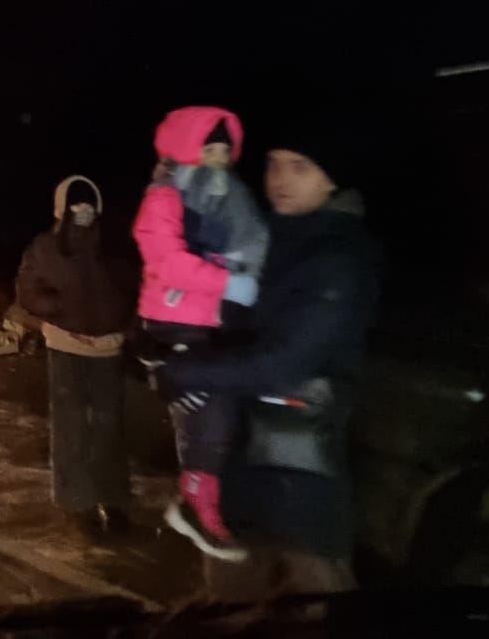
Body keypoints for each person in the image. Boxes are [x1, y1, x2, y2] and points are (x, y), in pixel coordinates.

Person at [156, 117, 378, 600]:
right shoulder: (270, 236)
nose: (280, 178)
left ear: (332, 180)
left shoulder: (337, 258)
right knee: (229, 606)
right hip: (241, 466)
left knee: (317, 604)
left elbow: (283, 364)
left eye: (300, 166)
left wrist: (186, 370)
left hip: (299, 470)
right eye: (274, 164)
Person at [133, 106, 268, 561]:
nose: (218, 161)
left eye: (225, 152)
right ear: (185, 148)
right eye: (209, 150)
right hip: (176, 320)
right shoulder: (164, 197)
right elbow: (167, 262)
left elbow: (250, 247)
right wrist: (229, 282)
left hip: (212, 321)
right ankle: (195, 503)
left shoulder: (227, 201)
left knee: (215, 415)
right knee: (212, 416)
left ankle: (205, 502)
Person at [15, 175, 140, 541]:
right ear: (60, 209)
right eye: (74, 204)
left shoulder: (116, 244)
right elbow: (27, 292)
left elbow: (139, 290)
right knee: (71, 428)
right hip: (65, 348)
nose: (82, 210)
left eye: (88, 203)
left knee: (109, 428)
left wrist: (126, 330)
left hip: (109, 349)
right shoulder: (45, 247)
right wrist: (64, 313)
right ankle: (77, 503)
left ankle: (112, 499)